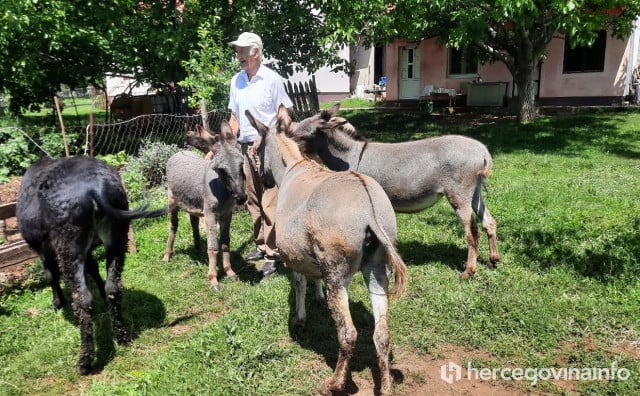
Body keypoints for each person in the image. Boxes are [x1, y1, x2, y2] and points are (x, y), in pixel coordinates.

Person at [227, 32, 293, 279]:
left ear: (255, 52)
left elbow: (284, 115)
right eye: (237, 50)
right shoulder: (236, 81)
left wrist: (264, 135)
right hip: (245, 149)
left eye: (242, 50)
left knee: (270, 201)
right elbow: (234, 119)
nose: (238, 55)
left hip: (270, 147)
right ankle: (261, 244)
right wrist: (223, 144)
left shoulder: (272, 79)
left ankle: (275, 254)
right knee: (253, 198)